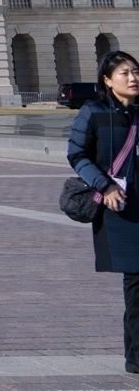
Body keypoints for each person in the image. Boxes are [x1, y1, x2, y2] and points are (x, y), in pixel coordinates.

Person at [69, 49, 139, 372]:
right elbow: (78, 155)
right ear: (108, 81)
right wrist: (105, 186)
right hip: (119, 209)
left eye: (135, 72)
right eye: (125, 73)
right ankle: (136, 357)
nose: (133, 78)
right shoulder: (92, 112)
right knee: (136, 282)